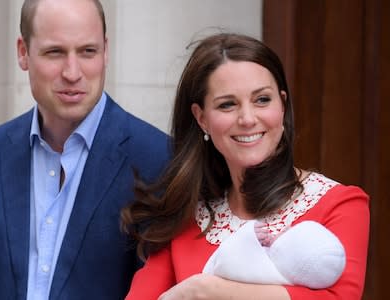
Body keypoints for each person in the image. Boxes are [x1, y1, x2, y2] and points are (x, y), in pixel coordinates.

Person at [0, 0, 170, 299]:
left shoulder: (159, 160)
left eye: (87, 51)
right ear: (23, 52)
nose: (72, 72)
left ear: (105, 51)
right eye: (55, 52)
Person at [121, 33, 369, 300]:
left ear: (282, 106)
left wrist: (206, 291)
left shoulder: (339, 204)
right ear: (202, 118)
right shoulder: (186, 215)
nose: (248, 118)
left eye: (262, 100)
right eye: (227, 104)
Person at [203, 220, 346, 289]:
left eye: (289, 233)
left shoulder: (263, 274)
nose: (287, 227)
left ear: (283, 251)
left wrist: (247, 237)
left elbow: (225, 262)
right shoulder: (289, 278)